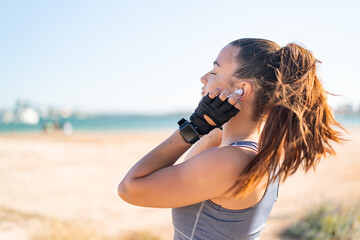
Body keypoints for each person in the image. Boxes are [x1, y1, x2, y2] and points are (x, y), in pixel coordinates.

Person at [118, 38, 345, 239]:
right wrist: (214, 123)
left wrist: (194, 126)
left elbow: (130, 188)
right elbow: (191, 165)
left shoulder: (230, 161)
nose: (203, 78)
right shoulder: (261, 149)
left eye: (214, 71)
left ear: (241, 91)